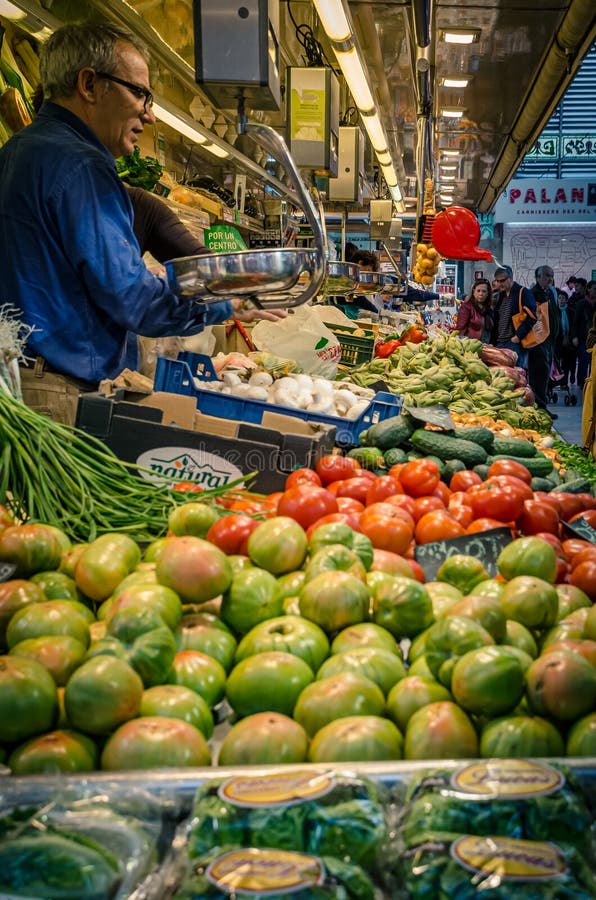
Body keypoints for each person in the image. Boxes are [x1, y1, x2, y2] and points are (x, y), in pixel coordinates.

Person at [0, 23, 285, 425]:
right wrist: (227, 301)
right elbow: (132, 298)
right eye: (140, 93)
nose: (149, 115)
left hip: (20, 383)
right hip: (58, 394)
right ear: (89, 84)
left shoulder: (19, 150)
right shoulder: (81, 166)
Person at [489, 265, 537, 369]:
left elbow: (532, 317)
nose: (499, 284)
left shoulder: (523, 292)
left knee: (516, 375)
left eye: (502, 281)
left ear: (510, 278)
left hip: (514, 343)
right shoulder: (500, 295)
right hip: (500, 342)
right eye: (497, 281)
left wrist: (517, 337)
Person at [529, 265, 559, 419]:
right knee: (538, 374)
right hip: (538, 341)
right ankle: (539, 407)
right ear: (538, 277)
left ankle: (542, 405)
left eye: (551, 276)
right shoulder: (533, 294)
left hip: (549, 341)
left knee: (545, 374)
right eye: (546, 275)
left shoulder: (551, 293)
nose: (549, 279)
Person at [572, 281, 596, 389]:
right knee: (583, 360)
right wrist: (574, 336)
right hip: (583, 337)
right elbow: (575, 321)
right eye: (594, 288)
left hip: (594, 337)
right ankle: (582, 383)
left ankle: (592, 382)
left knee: (593, 361)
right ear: (589, 289)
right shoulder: (581, 303)